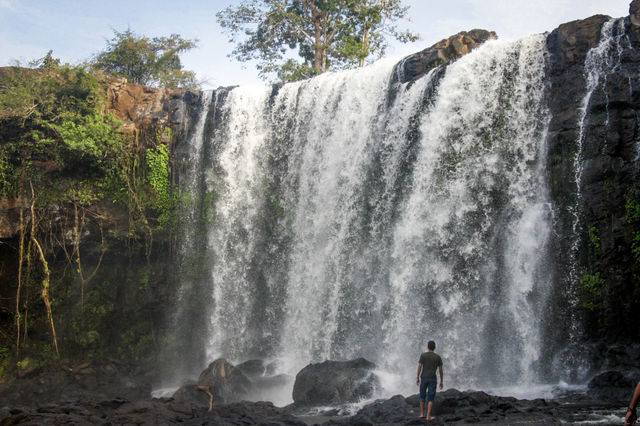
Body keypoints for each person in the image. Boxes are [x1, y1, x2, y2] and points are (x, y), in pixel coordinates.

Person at [416, 340, 443, 420]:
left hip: (423, 378)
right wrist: (441, 381)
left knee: (422, 395)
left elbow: (419, 366)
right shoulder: (437, 357)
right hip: (432, 378)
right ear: (434, 347)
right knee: (431, 397)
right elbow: (440, 370)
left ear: (428, 347)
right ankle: (428, 416)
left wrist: (417, 377)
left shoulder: (423, 355)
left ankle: (421, 414)